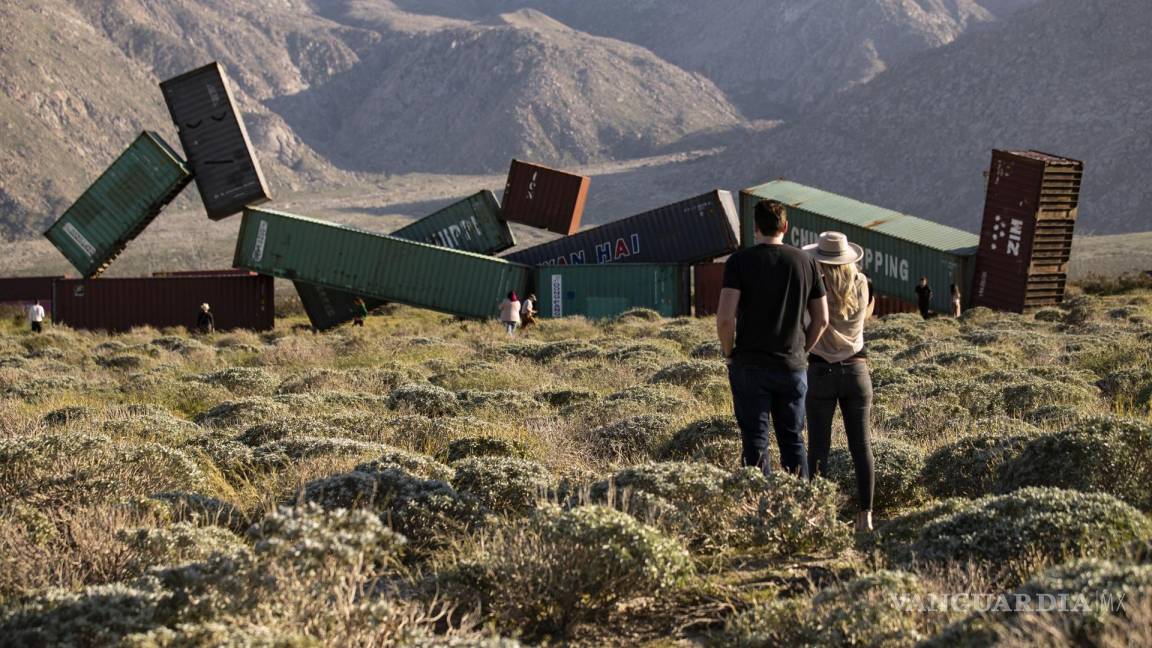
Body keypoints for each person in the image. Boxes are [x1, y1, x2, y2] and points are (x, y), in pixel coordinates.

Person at [717, 200, 828, 477]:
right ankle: (801, 507)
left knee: (755, 441)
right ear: (785, 227)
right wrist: (804, 349)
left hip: (750, 365)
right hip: (792, 366)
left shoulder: (739, 262)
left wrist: (729, 352)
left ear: (755, 228)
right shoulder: (807, 262)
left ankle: (758, 509)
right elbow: (822, 319)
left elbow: (725, 318)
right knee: (793, 440)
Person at [802, 232, 876, 532]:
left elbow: (810, 323)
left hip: (820, 371)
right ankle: (866, 516)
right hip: (857, 371)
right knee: (861, 446)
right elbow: (866, 314)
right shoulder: (861, 284)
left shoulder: (813, 287)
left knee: (819, 448)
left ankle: (820, 516)